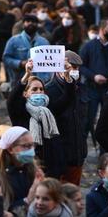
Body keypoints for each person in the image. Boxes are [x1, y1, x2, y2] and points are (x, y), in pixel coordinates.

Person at [6, 65, 61, 178]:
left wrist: (67, 77)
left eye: (41, 89)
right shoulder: (20, 111)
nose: (39, 92)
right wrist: (26, 75)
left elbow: (66, 100)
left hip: (50, 165)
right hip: (28, 165)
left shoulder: (48, 111)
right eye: (34, 89)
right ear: (25, 93)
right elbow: (12, 100)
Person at [46, 51, 87, 185]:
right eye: (70, 67)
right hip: (58, 156)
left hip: (77, 155)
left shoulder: (79, 88)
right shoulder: (49, 90)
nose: (74, 71)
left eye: (76, 68)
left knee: (73, 199)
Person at [3, 14, 50, 84]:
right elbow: (6, 58)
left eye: (33, 22)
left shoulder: (44, 42)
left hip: (40, 82)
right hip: (18, 80)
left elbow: (49, 63)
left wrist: (46, 78)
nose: (30, 23)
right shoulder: (13, 40)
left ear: (37, 24)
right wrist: (20, 63)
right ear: (23, 24)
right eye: (28, 21)